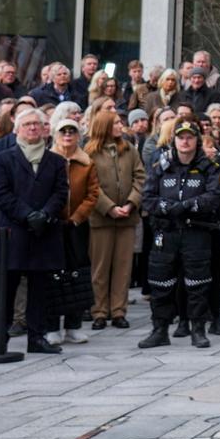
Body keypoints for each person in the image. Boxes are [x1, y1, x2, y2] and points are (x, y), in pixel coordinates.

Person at [0, 109, 69, 356]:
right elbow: (0, 194)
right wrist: (27, 215)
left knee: (40, 289)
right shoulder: (2, 158)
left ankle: (37, 337)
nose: (33, 128)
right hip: (13, 232)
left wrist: (44, 214)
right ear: (17, 129)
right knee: (6, 290)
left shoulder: (55, 161)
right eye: (28, 124)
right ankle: (0, 339)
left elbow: (61, 193)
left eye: (38, 124)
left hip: (44, 232)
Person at [138, 121, 220, 348]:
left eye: (190, 137)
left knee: (198, 282)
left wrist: (187, 205)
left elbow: (214, 197)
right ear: (174, 140)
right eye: (181, 137)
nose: (185, 141)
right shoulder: (160, 166)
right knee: (160, 282)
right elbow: (147, 197)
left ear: (197, 139)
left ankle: (198, 329)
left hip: (196, 231)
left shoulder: (209, 167)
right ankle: (160, 330)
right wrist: (167, 207)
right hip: (166, 232)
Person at [84, 110, 143, 329]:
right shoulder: (89, 152)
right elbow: (90, 185)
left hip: (127, 218)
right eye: (117, 122)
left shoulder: (130, 150)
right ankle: (99, 310)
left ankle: (118, 310)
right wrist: (108, 207)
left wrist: (130, 203)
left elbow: (140, 177)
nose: (121, 125)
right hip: (101, 219)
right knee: (100, 267)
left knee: (123, 266)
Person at [50, 116, 103, 345]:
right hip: (53, 225)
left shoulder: (86, 162)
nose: (68, 135)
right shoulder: (48, 159)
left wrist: (77, 217)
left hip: (77, 226)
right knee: (53, 275)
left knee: (77, 274)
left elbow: (93, 194)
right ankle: (52, 326)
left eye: (72, 131)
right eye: (63, 131)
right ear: (56, 135)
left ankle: (73, 325)